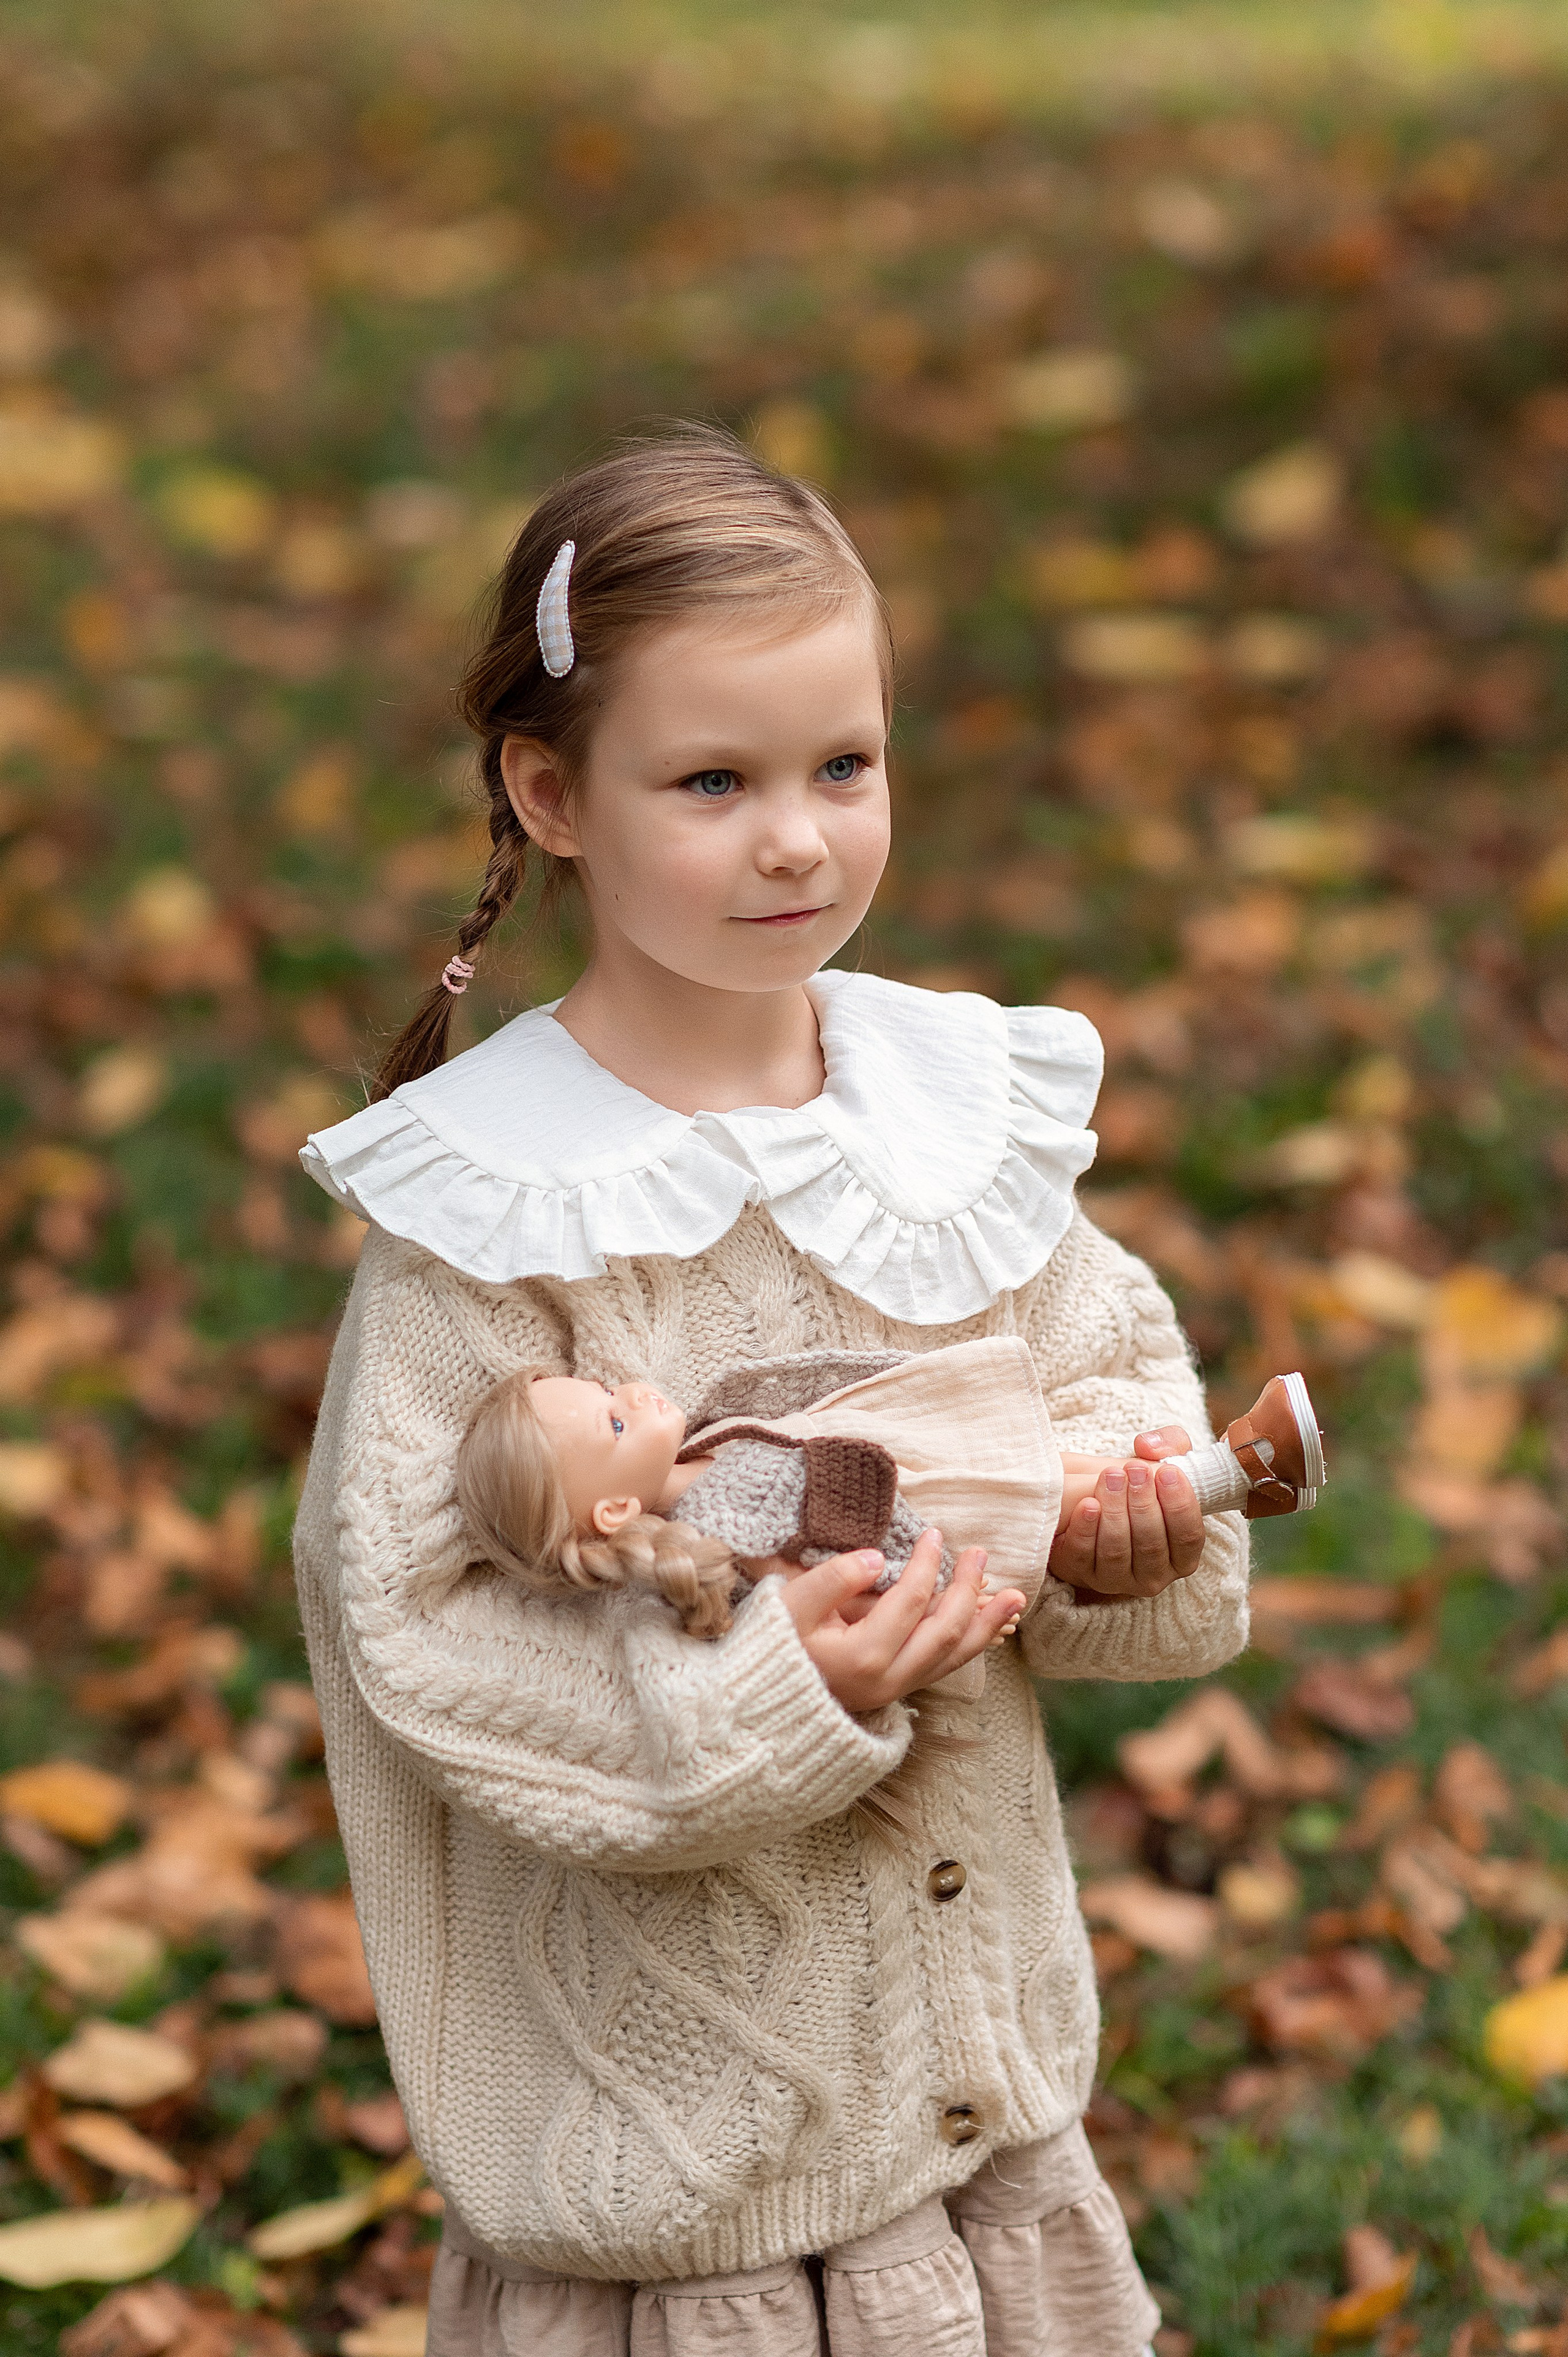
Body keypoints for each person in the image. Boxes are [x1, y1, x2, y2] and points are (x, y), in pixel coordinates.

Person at [295, 423, 1254, 2356]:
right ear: (551, 792)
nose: (799, 836)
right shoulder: (500, 1210)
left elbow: (1101, 1415)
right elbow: (414, 1624)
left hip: (982, 2136)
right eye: (713, 781)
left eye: (845, 765)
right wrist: (776, 1690)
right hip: (695, 2192)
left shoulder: (950, 1122)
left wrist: (1132, 1536)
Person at [453, 1348, 1324, 1640]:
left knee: (1064, 1472)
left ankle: (1240, 1467)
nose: (633, 1396)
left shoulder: (705, 1452)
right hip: (924, 1526)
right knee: (1065, 1492)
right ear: (612, 1512)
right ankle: (1246, 1470)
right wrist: (942, 1588)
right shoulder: (711, 1520)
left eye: (606, 1388)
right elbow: (833, 1569)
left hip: (921, 1480)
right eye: (613, 1424)